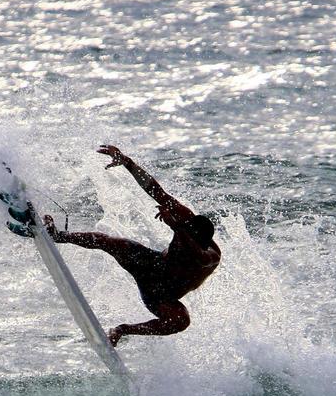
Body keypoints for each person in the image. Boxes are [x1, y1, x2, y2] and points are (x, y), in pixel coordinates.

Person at [40, 145, 220, 346]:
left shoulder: (210, 257)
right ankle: (58, 235)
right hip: (151, 264)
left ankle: (123, 329)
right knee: (107, 241)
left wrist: (176, 227)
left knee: (181, 321)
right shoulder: (187, 219)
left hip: (161, 295)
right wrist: (128, 163)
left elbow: (195, 253)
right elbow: (156, 191)